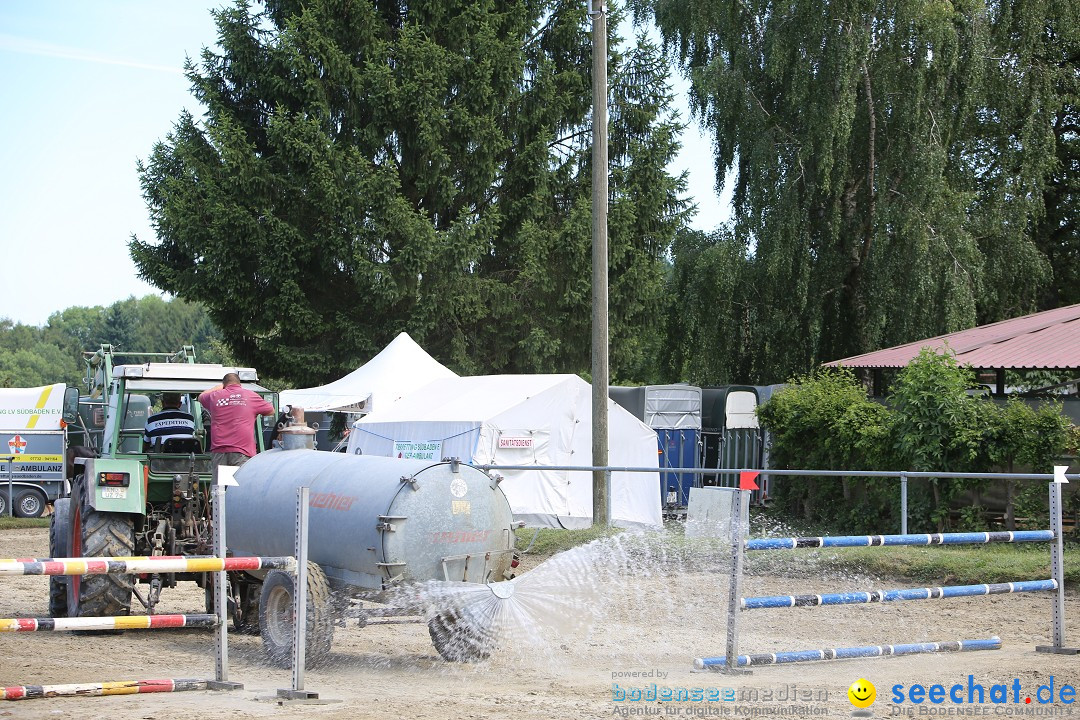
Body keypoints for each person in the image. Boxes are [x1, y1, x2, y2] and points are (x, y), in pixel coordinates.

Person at [198, 373, 276, 480]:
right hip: (242, 452)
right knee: (239, 488)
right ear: (239, 384)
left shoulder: (215, 396)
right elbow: (271, 410)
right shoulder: (250, 395)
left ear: (224, 385)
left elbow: (201, 397)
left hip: (220, 451)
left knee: (221, 490)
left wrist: (219, 387)